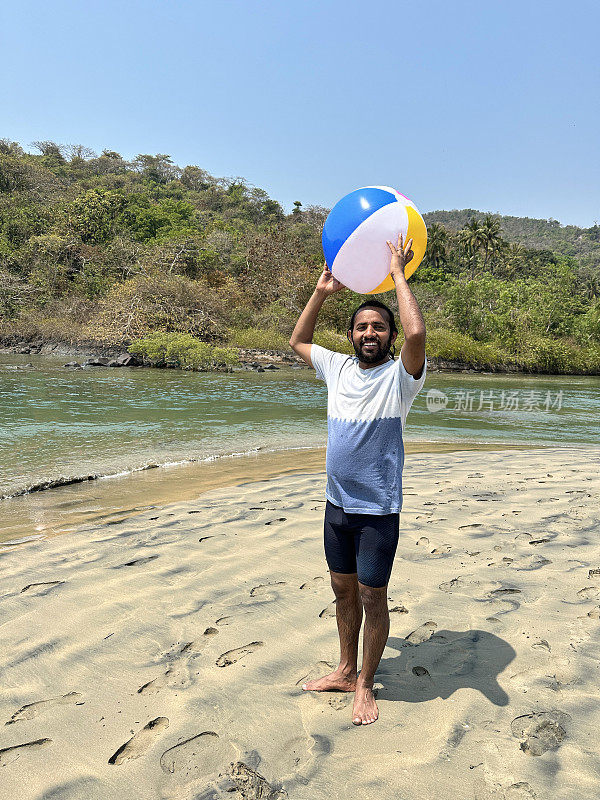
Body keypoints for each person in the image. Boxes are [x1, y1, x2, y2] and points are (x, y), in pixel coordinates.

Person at [289, 234, 426, 726]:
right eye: (363, 326)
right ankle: (346, 669)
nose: (371, 332)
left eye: (379, 326)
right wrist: (321, 293)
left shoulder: (402, 378)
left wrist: (397, 274)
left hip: (377, 510)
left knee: (372, 596)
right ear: (351, 335)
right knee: (342, 591)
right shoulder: (338, 367)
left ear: (388, 337)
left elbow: (416, 336)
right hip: (336, 506)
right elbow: (298, 341)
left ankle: (365, 684)